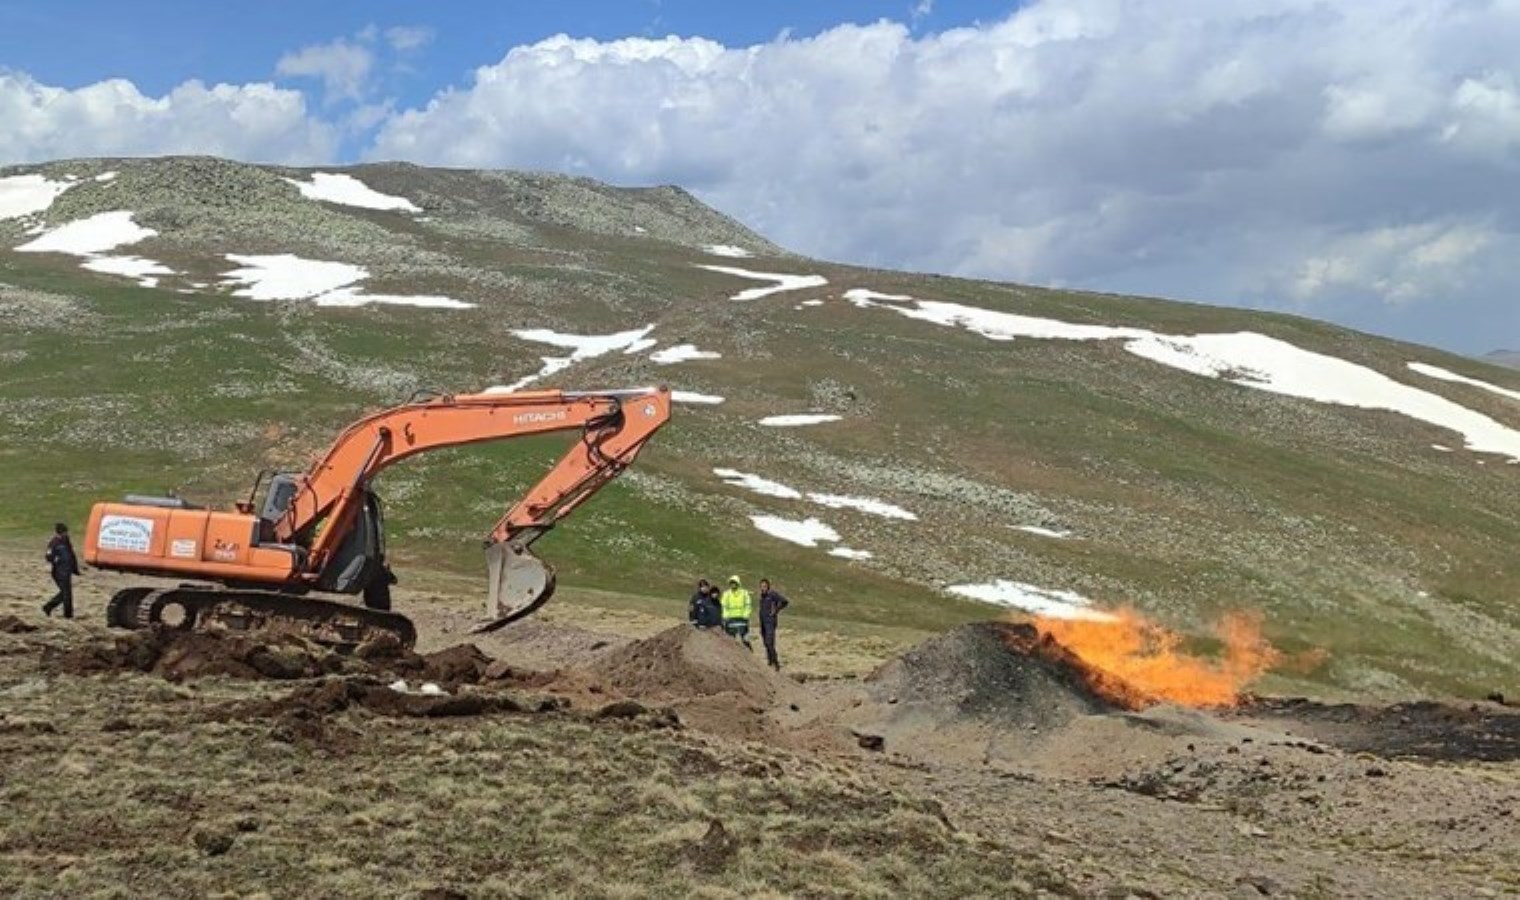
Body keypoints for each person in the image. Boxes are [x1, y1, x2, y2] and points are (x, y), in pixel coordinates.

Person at [42, 523, 81, 619]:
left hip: (67, 571)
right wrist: (57, 560)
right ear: (60, 533)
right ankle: (64, 613)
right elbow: (48, 556)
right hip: (59, 572)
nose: (66, 534)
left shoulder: (66, 542)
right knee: (66, 593)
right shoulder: (54, 543)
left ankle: (52, 608)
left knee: (66, 593)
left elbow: (72, 556)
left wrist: (75, 569)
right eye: (64, 532)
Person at [756, 578, 790, 671]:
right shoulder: (762, 596)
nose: (763, 588)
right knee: (765, 643)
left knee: (769, 642)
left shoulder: (772, 594)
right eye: (761, 586)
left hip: (770, 622)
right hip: (763, 622)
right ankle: (770, 661)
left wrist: (776, 610)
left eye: (765, 586)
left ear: (768, 587)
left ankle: (776, 663)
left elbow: (785, 601)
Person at [719, 575, 753, 650]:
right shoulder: (726, 594)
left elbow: (748, 605)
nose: (733, 584)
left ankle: (749, 653)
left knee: (745, 639)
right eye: (731, 583)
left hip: (742, 619)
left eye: (734, 582)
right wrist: (725, 616)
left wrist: (746, 614)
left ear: (738, 583)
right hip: (730, 619)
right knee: (730, 640)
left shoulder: (744, 593)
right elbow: (724, 606)